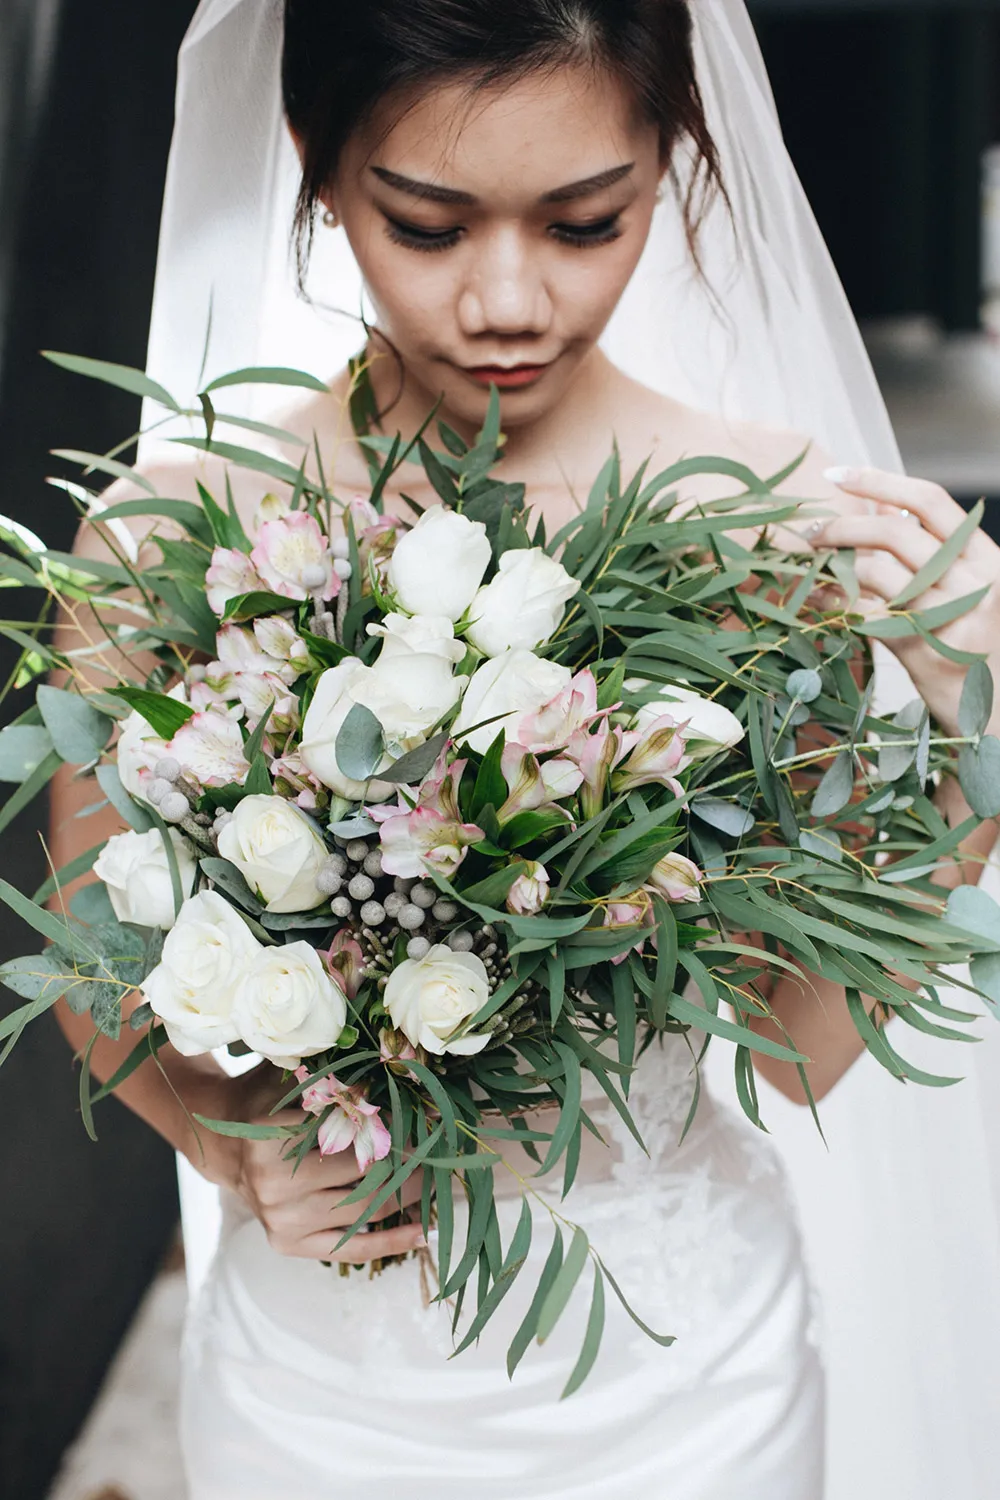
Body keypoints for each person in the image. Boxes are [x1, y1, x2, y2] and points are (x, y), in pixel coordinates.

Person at [49, 2, 1000, 1497]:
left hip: (683, 1377)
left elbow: (801, 1055)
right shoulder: (176, 538)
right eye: (426, 224)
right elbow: (91, 954)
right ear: (313, 159)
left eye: (583, 223)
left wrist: (967, 735)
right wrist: (229, 1140)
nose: (508, 300)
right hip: (326, 1377)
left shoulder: (769, 533)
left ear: (670, 160)